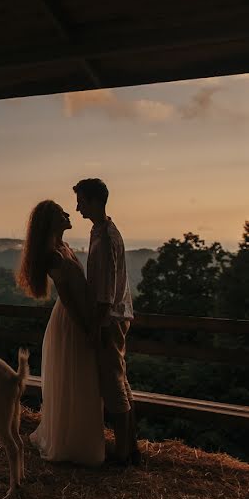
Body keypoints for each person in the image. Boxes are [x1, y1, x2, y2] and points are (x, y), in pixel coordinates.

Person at [16, 200, 105, 466]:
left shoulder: (63, 248)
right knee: (75, 377)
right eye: (60, 213)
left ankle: (79, 439)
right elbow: (66, 298)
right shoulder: (53, 255)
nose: (68, 214)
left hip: (78, 315)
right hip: (70, 320)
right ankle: (70, 444)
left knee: (81, 377)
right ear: (51, 222)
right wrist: (85, 327)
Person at [74, 178, 141, 466]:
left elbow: (107, 292)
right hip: (112, 317)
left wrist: (96, 327)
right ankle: (130, 446)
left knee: (113, 383)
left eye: (81, 201)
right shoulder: (99, 232)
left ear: (93, 201)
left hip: (109, 320)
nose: (77, 207)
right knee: (119, 380)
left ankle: (124, 451)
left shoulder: (107, 238)